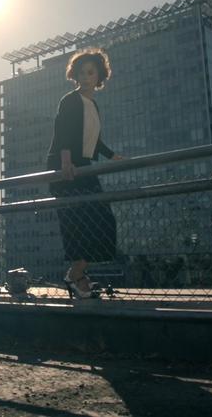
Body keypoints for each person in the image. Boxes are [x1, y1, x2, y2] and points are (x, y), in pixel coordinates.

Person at [45, 48, 123, 299]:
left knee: (102, 219)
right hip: (66, 165)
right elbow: (63, 131)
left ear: (100, 75)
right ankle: (77, 277)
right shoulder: (70, 100)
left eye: (91, 72)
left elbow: (95, 140)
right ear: (75, 75)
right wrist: (66, 160)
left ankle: (75, 274)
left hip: (85, 165)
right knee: (76, 222)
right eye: (81, 72)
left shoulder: (93, 105)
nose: (86, 77)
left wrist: (113, 157)